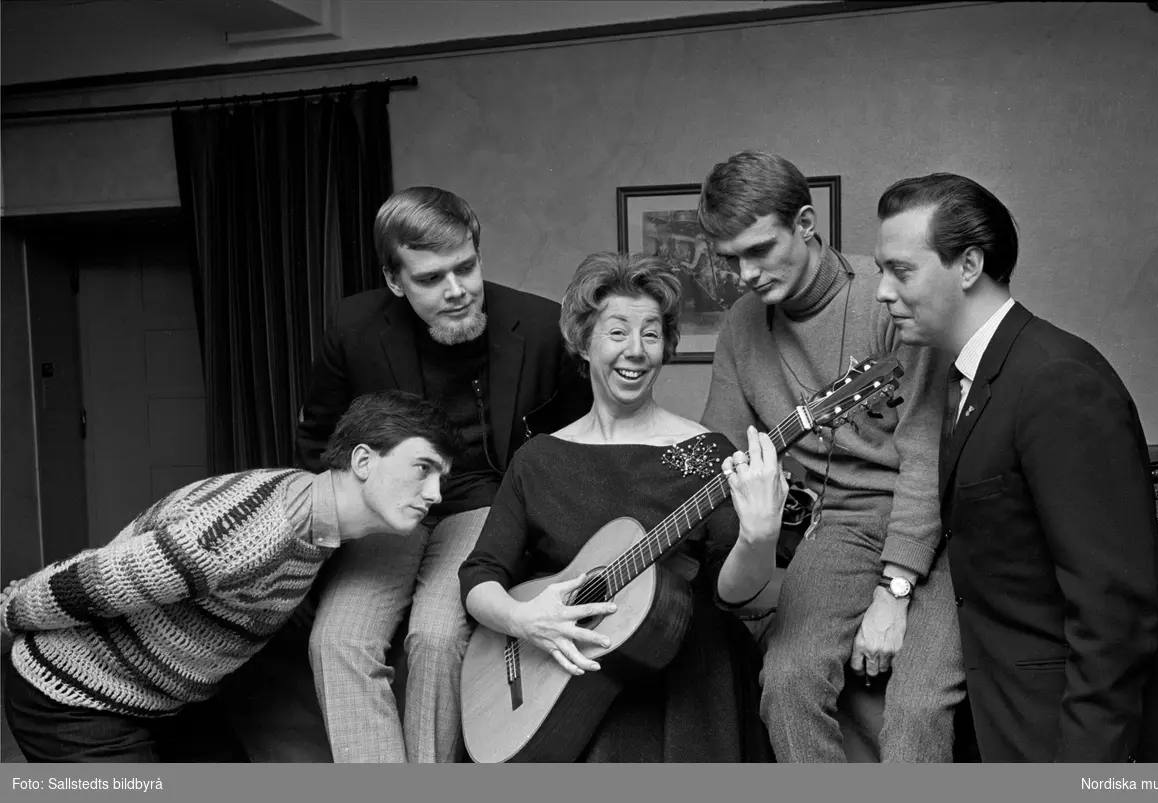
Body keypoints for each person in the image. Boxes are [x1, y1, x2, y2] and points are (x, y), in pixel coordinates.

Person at [873, 172, 1158, 762]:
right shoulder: (971, 379)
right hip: (1010, 718)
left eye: (900, 271)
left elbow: (1114, 613)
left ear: (968, 265)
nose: (881, 292)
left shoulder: (1056, 380)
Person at [1, 391, 461, 763]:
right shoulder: (249, 534)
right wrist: (8, 612)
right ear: (363, 461)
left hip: (167, 705)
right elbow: (91, 581)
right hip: (71, 699)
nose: (435, 493)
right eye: (422, 468)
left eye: (442, 477)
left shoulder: (313, 514)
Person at [296, 187, 593, 763]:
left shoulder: (537, 324)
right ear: (394, 279)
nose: (456, 291)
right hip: (389, 513)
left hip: (487, 506)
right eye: (431, 279)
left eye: (467, 267)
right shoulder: (352, 327)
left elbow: (574, 443)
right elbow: (319, 442)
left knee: (435, 639)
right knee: (335, 640)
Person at [697, 150, 964, 762]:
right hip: (836, 528)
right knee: (787, 683)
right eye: (730, 258)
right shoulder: (743, 323)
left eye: (760, 249)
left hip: (931, 520)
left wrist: (892, 594)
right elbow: (716, 444)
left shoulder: (890, 297)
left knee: (917, 710)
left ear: (807, 224)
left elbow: (926, 458)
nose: (746, 273)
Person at [459, 252, 779, 762]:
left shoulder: (707, 453)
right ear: (583, 343)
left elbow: (732, 594)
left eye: (651, 334)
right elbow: (479, 575)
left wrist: (759, 538)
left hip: (687, 678)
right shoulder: (538, 459)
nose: (636, 351)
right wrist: (524, 621)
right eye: (617, 333)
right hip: (566, 675)